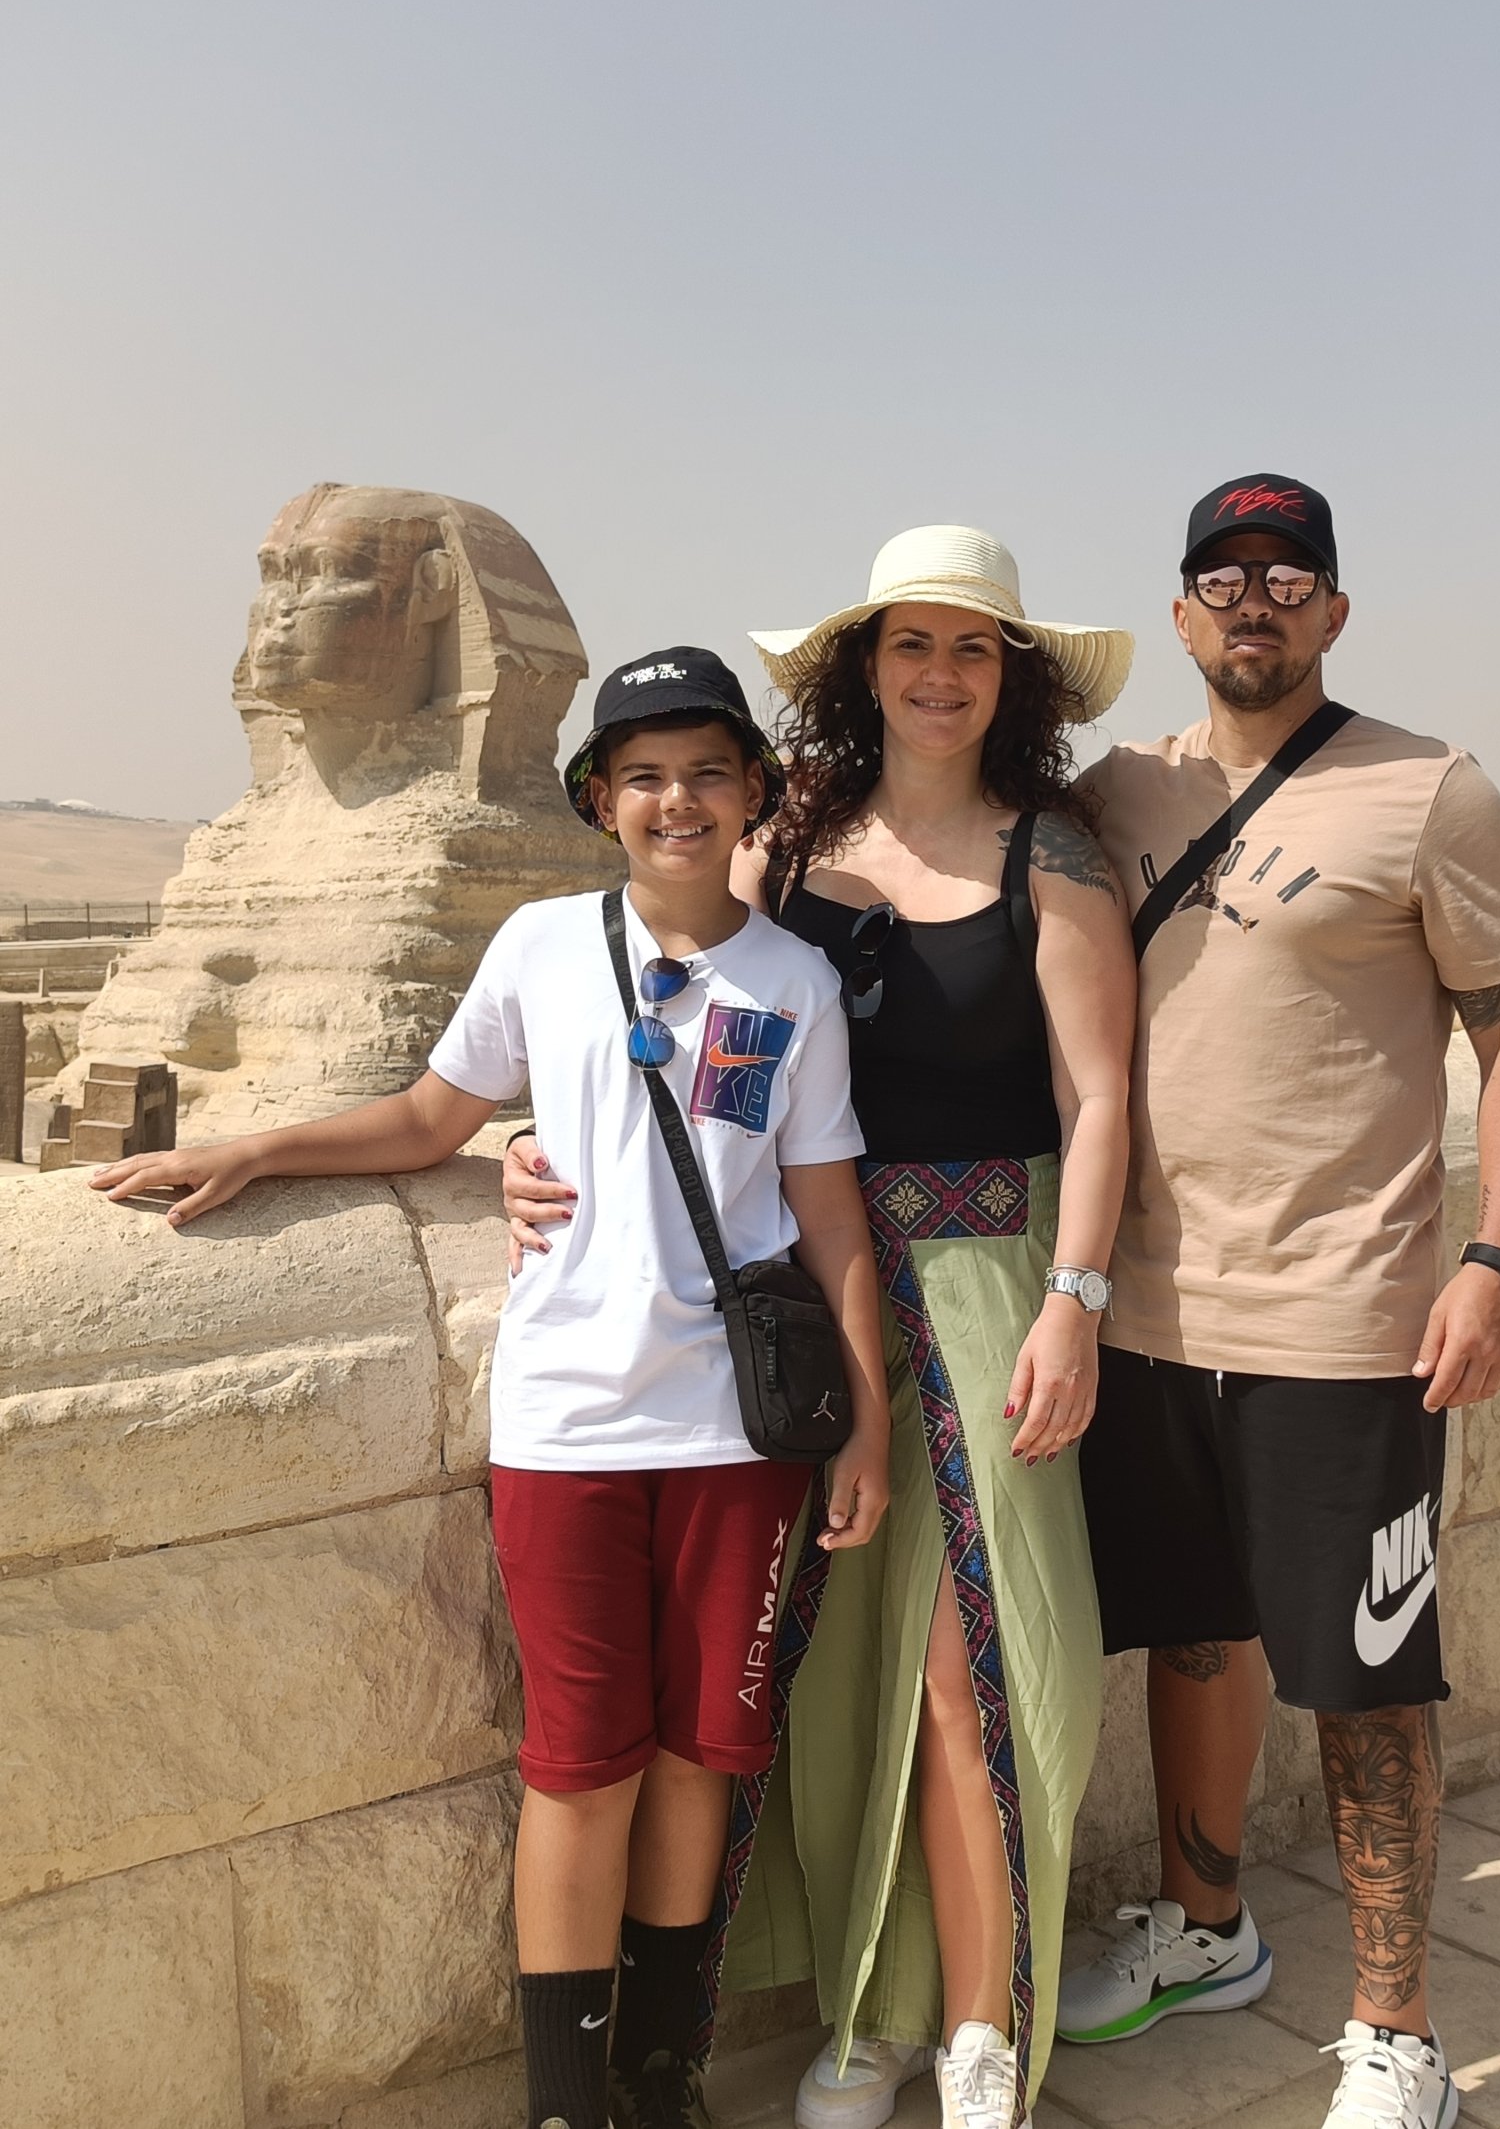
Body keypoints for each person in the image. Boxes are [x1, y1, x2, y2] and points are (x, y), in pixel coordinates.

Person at [89, 647, 895, 2129]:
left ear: (755, 794)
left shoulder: (795, 982)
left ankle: (659, 2071)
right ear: (599, 798)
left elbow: (830, 1213)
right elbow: (428, 1117)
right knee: (581, 1766)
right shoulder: (540, 944)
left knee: (697, 1756)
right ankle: (563, 2101)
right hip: (567, 1425)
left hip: (738, 1433)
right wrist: (257, 1149)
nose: (676, 801)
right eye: (643, 776)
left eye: (707, 772)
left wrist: (869, 1425)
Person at [507, 528, 1137, 2129]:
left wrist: (1075, 1300)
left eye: (973, 646)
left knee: (973, 1669)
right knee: (841, 1678)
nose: (940, 673)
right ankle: (875, 2007)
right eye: (910, 642)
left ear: (1014, 677)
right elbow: (664, 1016)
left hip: (994, 1291)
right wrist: (517, 1146)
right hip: (818, 1319)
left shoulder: (1053, 860)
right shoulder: (788, 850)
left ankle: (979, 2019)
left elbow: (1100, 1098)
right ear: (866, 667)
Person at [1055, 477, 1500, 2129]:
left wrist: (1498, 1259)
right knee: (1192, 1634)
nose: (1255, 602)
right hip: (1145, 1320)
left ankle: (1400, 2030)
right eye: (1224, 576)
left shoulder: (1430, 789)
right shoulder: (1117, 791)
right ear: (1181, 611)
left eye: (1289, 576)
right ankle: (1206, 1930)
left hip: (1346, 1328)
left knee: (1368, 1680)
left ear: (1335, 610)